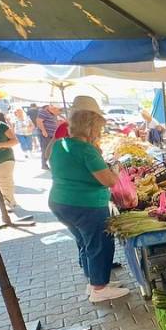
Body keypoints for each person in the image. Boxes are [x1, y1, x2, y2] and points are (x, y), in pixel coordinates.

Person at [48, 103, 130, 303]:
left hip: (60, 202)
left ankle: (94, 282)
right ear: (90, 128)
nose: (100, 133)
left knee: (85, 243)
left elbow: (58, 164)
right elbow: (109, 181)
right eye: (99, 129)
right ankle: (99, 289)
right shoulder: (87, 150)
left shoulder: (59, 144)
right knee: (99, 245)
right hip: (86, 205)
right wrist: (116, 171)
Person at [36, 103, 61, 169]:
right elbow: (39, 121)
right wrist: (44, 131)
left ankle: (52, 164)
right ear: (53, 108)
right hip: (46, 135)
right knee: (46, 149)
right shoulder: (44, 112)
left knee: (52, 150)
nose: (57, 112)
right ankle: (44, 165)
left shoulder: (52, 114)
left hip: (53, 135)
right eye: (57, 110)